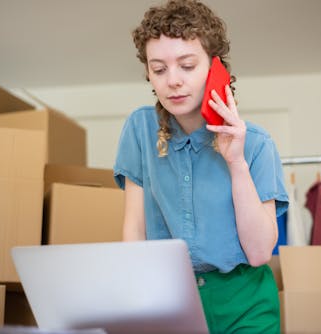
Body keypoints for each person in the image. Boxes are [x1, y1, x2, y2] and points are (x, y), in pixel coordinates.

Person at [113, 0, 288, 332]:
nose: (173, 81)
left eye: (187, 65)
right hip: (169, 299)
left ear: (215, 66)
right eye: (159, 69)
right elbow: (134, 230)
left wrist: (235, 162)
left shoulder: (257, 144)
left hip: (245, 304)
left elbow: (260, 253)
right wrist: (133, 299)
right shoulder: (139, 129)